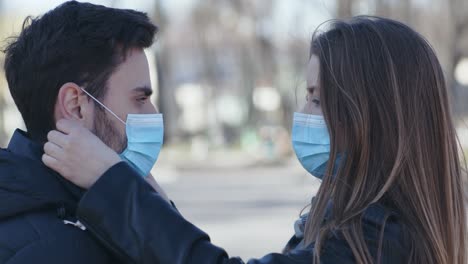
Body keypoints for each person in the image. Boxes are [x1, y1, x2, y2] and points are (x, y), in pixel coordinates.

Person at [43, 16, 467, 264]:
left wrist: (114, 185)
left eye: (318, 100)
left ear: (369, 115)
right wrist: (149, 202)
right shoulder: (371, 221)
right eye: (307, 96)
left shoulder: (379, 238)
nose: (303, 115)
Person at [0, 1, 161, 263]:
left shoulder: (87, 216)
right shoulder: (55, 251)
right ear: (76, 106)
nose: (153, 114)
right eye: (140, 99)